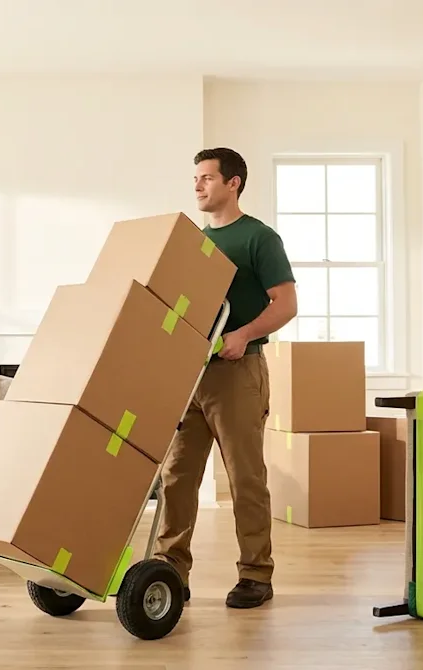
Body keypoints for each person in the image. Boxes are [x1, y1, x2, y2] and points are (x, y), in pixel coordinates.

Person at [152, 147, 298, 609]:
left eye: (207, 178)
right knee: (176, 475)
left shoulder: (259, 238)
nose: (198, 186)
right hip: (189, 373)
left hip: (239, 371)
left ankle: (256, 574)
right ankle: (171, 570)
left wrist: (244, 334)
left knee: (245, 477)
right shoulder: (193, 241)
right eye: (195, 178)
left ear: (233, 183)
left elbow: (287, 304)